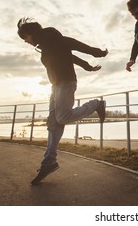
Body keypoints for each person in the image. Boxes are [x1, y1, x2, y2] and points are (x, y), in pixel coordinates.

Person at [17, 17, 108, 185]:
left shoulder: (49, 36)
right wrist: (88, 66)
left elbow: (71, 43)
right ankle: (49, 163)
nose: (26, 42)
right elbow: (70, 57)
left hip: (65, 83)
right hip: (55, 87)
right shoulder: (44, 46)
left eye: (25, 38)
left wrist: (96, 52)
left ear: (30, 33)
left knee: (62, 118)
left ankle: (96, 104)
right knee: (53, 124)